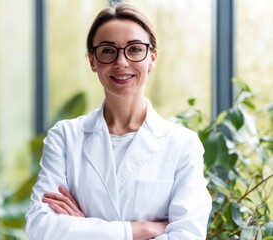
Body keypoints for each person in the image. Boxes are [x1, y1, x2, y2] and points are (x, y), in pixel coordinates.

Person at [25, 3, 212, 240]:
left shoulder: (182, 144)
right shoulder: (64, 137)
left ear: (152, 58)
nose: (121, 62)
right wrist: (138, 230)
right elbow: (41, 228)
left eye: (134, 49)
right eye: (107, 51)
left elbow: (188, 236)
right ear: (92, 60)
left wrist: (84, 229)